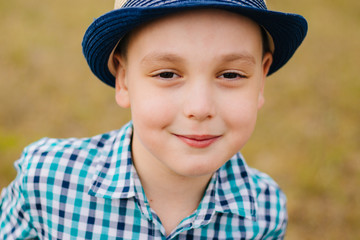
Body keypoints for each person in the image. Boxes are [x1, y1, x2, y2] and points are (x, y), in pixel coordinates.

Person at [0, 0, 307, 239]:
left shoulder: (264, 211)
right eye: (167, 74)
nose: (199, 108)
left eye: (230, 74)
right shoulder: (47, 180)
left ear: (261, 81)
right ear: (123, 79)